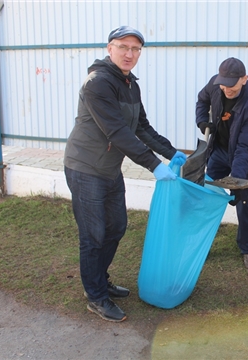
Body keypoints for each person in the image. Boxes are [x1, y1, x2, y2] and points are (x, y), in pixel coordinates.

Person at [64, 26, 187, 322]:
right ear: (110, 48)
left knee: (116, 226)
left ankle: (98, 279)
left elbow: (141, 127)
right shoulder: (97, 83)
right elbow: (117, 131)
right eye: (123, 47)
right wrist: (154, 164)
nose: (129, 54)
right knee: (93, 235)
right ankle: (95, 295)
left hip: (108, 169)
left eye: (136, 49)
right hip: (85, 168)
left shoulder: (131, 84)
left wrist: (172, 153)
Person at [196, 57, 248, 272]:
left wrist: (236, 180)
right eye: (223, 83)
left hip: (244, 156)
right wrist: (201, 120)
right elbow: (202, 100)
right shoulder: (216, 85)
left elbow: (245, 146)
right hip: (218, 151)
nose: (227, 89)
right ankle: (202, 245)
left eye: (232, 84)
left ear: (244, 79)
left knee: (244, 200)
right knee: (207, 195)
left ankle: (247, 249)